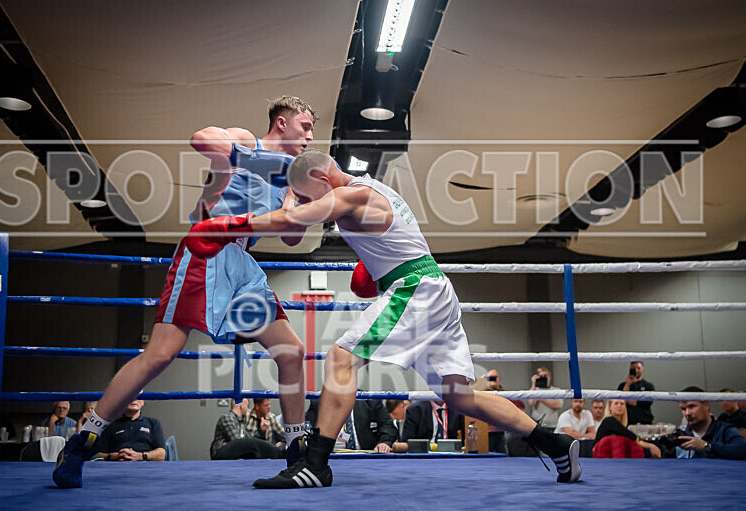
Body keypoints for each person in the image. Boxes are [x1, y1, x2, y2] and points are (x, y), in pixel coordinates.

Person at [187, 149, 582, 488]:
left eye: (309, 193)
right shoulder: (373, 188)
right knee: (458, 396)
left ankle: (315, 465)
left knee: (341, 357)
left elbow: (293, 222)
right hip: (432, 287)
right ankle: (555, 444)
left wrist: (226, 225)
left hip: (416, 287)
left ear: (323, 178)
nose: (309, 202)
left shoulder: (352, 194)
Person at [53, 96, 317, 488]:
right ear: (281, 123)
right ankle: (84, 438)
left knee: (292, 351)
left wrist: (296, 196)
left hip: (241, 264)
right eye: (305, 127)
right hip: (204, 251)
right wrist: (267, 163)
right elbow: (202, 139)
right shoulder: (247, 141)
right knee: (160, 354)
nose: (310, 137)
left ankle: (295, 447)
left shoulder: (290, 180)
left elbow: (292, 239)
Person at [676, 387, 746, 460]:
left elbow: (743, 451)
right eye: (683, 409)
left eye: (692, 406)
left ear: (706, 405)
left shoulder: (725, 431)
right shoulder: (682, 435)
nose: (687, 413)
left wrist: (706, 446)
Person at [306, 398, 396, 453]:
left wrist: (384, 443)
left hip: (366, 456)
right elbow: (307, 428)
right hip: (330, 456)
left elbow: (388, 426)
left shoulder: (370, 401)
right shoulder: (318, 402)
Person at [94, 400, 165, 462]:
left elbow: (161, 454)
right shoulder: (110, 425)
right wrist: (115, 456)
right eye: (131, 395)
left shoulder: (153, 423)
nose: (134, 399)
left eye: (138, 396)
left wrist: (140, 456)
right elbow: (97, 455)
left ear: (143, 401)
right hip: (117, 467)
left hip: (146, 467)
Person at [593, 399, 661, 458]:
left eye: (622, 404)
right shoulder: (609, 421)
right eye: (616, 403)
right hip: (600, 455)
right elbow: (632, 437)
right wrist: (651, 446)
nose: (619, 406)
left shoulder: (622, 424)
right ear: (610, 407)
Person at [483, 369, 525, 454]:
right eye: (491, 378)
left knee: (503, 457)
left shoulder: (506, 394)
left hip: (502, 432)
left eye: (495, 378)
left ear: (499, 379)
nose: (493, 380)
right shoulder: (482, 394)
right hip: (486, 433)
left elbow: (520, 408)